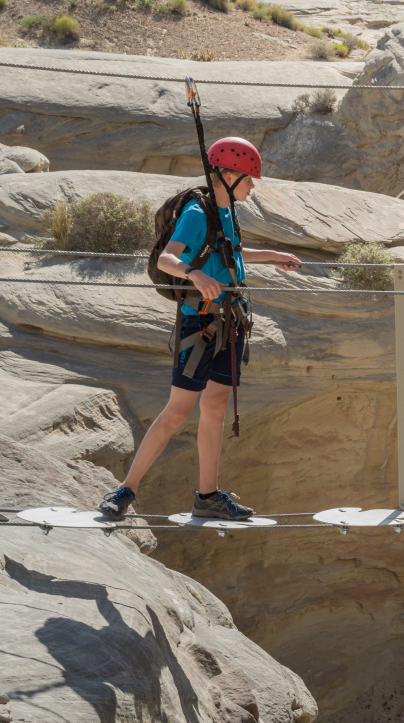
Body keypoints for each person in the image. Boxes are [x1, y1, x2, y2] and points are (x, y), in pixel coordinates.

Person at [98, 138, 302, 521]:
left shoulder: (228, 212)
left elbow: (230, 252)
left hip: (231, 321)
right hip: (201, 323)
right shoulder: (197, 212)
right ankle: (126, 489)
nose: (253, 187)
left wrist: (272, 256)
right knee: (178, 412)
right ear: (227, 175)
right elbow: (168, 258)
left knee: (215, 406)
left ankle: (207, 496)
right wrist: (192, 273)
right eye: (248, 179)